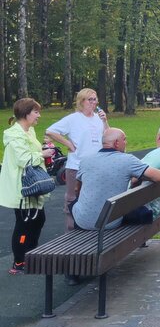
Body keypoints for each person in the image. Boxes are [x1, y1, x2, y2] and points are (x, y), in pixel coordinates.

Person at [70, 128, 160, 231]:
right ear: (116, 143)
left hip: (82, 221)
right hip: (109, 223)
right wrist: (140, 175)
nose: (126, 142)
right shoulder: (127, 160)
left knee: (73, 204)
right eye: (124, 139)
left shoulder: (86, 160)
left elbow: (76, 190)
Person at [45, 88, 108, 229]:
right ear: (81, 101)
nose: (93, 102)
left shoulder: (98, 118)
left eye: (95, 99)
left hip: (96, 165)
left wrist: (105, 121)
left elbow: (107, 135)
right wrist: (68, 144)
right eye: (90, 99)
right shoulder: (73, 119)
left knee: (92, 198)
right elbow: (50, 131)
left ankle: (88, 228)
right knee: (72, 198)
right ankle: (71, 231)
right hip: (77, 165)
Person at [0, 99, 49, 275]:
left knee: (38, 220)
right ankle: (19, 261)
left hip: (31, 185)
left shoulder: (29, 131)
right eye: (36, 112)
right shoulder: (14, 135)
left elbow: (31, 153)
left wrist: (42, 151)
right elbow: (24, 158)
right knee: (24, 224)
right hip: (22, 187)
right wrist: (42, 154)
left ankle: (31, 255)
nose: (39, 116)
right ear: (26, 114)